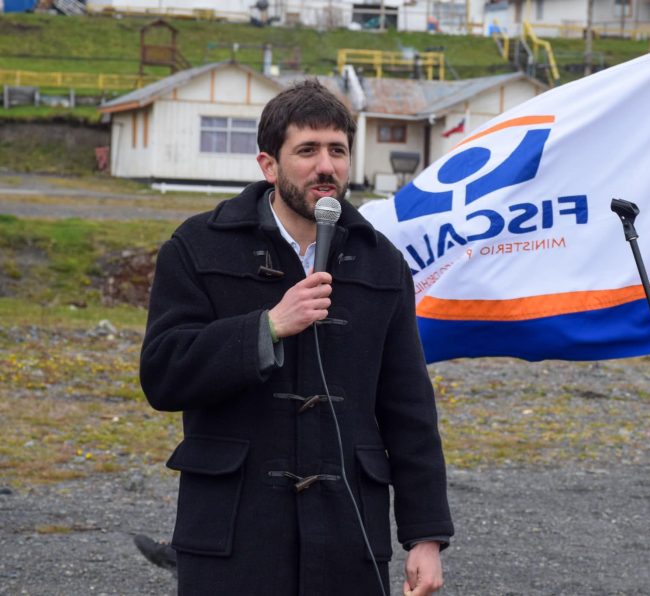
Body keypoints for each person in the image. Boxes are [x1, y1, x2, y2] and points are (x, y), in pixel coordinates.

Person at [140, 79, 453, 595]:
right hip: (233, 536)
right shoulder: (198, 247)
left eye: (338, 150)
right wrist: (266, 327)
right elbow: (163, 374)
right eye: (307, 150)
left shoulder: (382, 264)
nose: (325, 166)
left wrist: (426, 537)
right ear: (269, 165)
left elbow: (410, 410)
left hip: (349, 536)